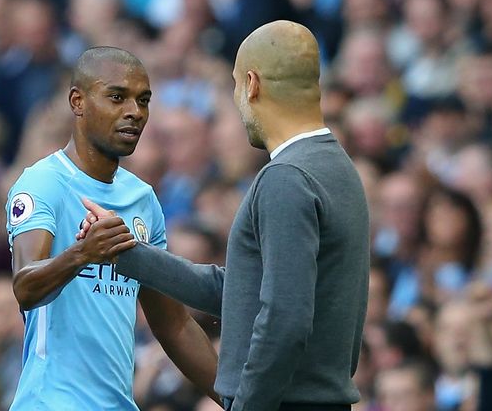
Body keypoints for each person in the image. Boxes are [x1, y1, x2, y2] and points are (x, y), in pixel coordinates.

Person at [80, 21, 370, 410]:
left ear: (251, 84)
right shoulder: (336, 167)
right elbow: (242, 293)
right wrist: (127, 252)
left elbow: (285, 318)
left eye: (235, 86)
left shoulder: (286, 178)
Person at [4, 46, 219, 410]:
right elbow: (25, 287)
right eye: (117, 97)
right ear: (78, 101)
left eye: (143, 100)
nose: (134, 113)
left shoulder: (142, 199)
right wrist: (83, 254)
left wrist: (242, 400)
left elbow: (173, 324)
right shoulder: (43, 183)